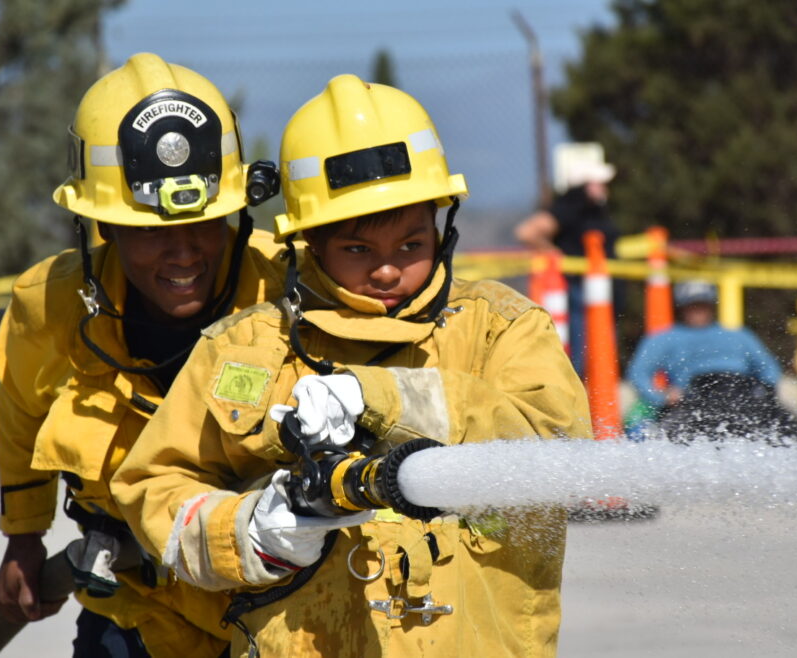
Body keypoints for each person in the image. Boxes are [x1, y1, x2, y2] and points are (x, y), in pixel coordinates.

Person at [112, 74, 592, 657]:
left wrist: (380, 398)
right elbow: (152, 487)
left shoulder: (501, 328)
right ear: (309, 241)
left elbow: (558, 449)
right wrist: (250, 531)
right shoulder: (248, 349)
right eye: (359, 250)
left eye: (410, 246)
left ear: (441, 229)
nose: (388, 271)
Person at [0, 53, 285, 657]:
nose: (183, 253)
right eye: (149, 231)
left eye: (205, 223)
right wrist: (23, 537)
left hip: (277, 607)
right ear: (101, 228)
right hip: (133, 610)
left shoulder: (287, 290)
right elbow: (20, 416)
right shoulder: (51, 307)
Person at [626, 280, 797, 446]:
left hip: (741, 396)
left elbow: (769, 370)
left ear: (712, 306)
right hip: (693, 399)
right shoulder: (664, 339)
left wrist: (762, 393)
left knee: (789, 427)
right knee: (663, 434)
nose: (698, 312)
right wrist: (662, 397)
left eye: (702, 306)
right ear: (682, 308)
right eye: (692, 307)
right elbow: (638, 373)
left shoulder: (739, 335)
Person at [513, 151, 619, 374]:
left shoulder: (592, 209)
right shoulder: (569, 207)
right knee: (581, 350)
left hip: (594, 289)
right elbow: (526, 232)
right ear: (585, 185)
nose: (604, 186)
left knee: (597, 353)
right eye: (598, 182)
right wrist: (555, 255)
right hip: (578, 289)